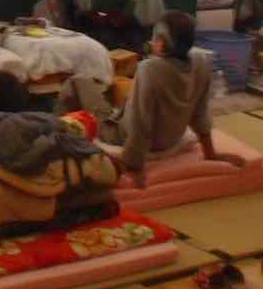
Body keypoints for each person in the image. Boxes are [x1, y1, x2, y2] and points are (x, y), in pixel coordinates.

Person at [98, 10, 244, 187]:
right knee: (120, 98)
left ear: (159, 44)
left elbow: (140, 123)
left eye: (153, 39)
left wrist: (135, 166)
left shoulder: (149, 68)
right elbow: (200, 113)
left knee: (81, 87)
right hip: (171, 140)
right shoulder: (201, 62)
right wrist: (211, 153)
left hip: (127, 138)